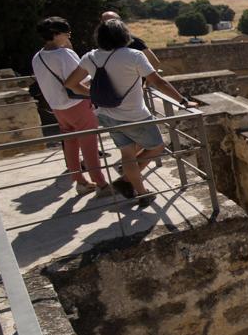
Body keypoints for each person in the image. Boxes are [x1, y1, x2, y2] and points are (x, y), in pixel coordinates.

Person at [65, 19, 192, 206]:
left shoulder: (90, 57)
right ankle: (126, 181)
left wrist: (93, 95)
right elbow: (158, 82)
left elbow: (71, 84)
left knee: (127, 155)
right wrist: (183, 101)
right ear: (124, 35)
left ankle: (141, 192)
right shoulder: (134, 56)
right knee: (157, 147)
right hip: (135, 115)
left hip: (107, 115)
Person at [31, 17, 109, 195]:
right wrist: (96, 95)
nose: (68, 35)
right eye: (67, 32)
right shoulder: (64, 54)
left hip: (58, 107)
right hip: (77, 104)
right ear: (56, 34)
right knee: (89, 144)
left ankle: (80, 181)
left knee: (70, 143)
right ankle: (101, 184)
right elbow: (78, 81)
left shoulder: (38, 57)